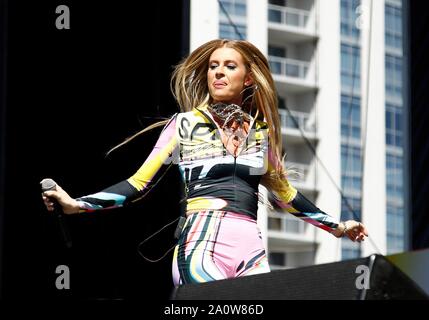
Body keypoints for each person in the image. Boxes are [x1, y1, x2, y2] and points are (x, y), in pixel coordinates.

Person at [42, 39, 369, 286]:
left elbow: (286, 195)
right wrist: (76, 205)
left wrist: (338, 227)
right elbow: (139, 184)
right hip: (200, 248)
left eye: (229, 65)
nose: (219, 72)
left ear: (249, 79)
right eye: (214, 65)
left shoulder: (259, 136)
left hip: (250, 252)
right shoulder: (183, 125)